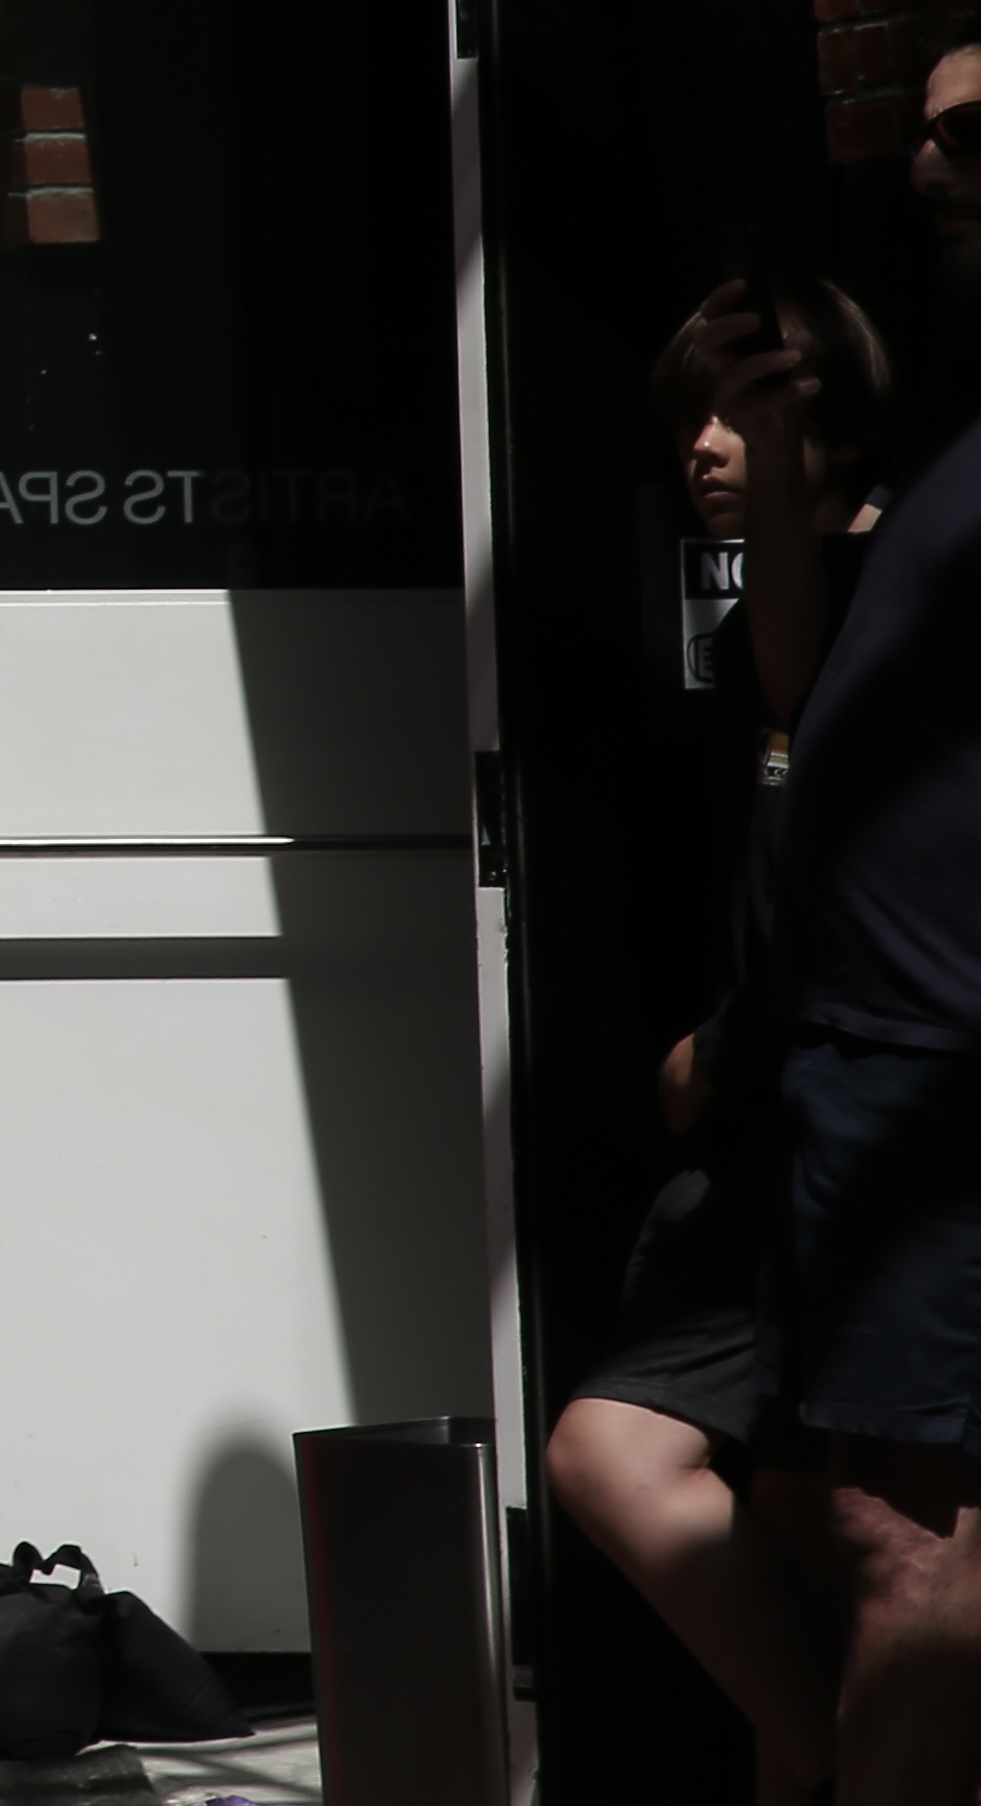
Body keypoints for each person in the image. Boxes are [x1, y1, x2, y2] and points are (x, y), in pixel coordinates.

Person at [554, 276, 892, 1802]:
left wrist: (731, 1050)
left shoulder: (890, 590)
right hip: (762, 1151)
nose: (707, 445)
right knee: (779, 1552)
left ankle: (861, 1769)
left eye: (747, 407)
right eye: (690, 413)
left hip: (844, 1147)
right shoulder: (777, 603)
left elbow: (811, 701)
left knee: (630, 1459)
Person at [722, 16, 981, 1804]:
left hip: (944, 1067)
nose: (931, 165)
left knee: (912, 1557)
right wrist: (772, 461)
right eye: (928, 134)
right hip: (880, 1060)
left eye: (975, 135)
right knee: (887, 1542)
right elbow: (811, 700)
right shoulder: (962, 424)